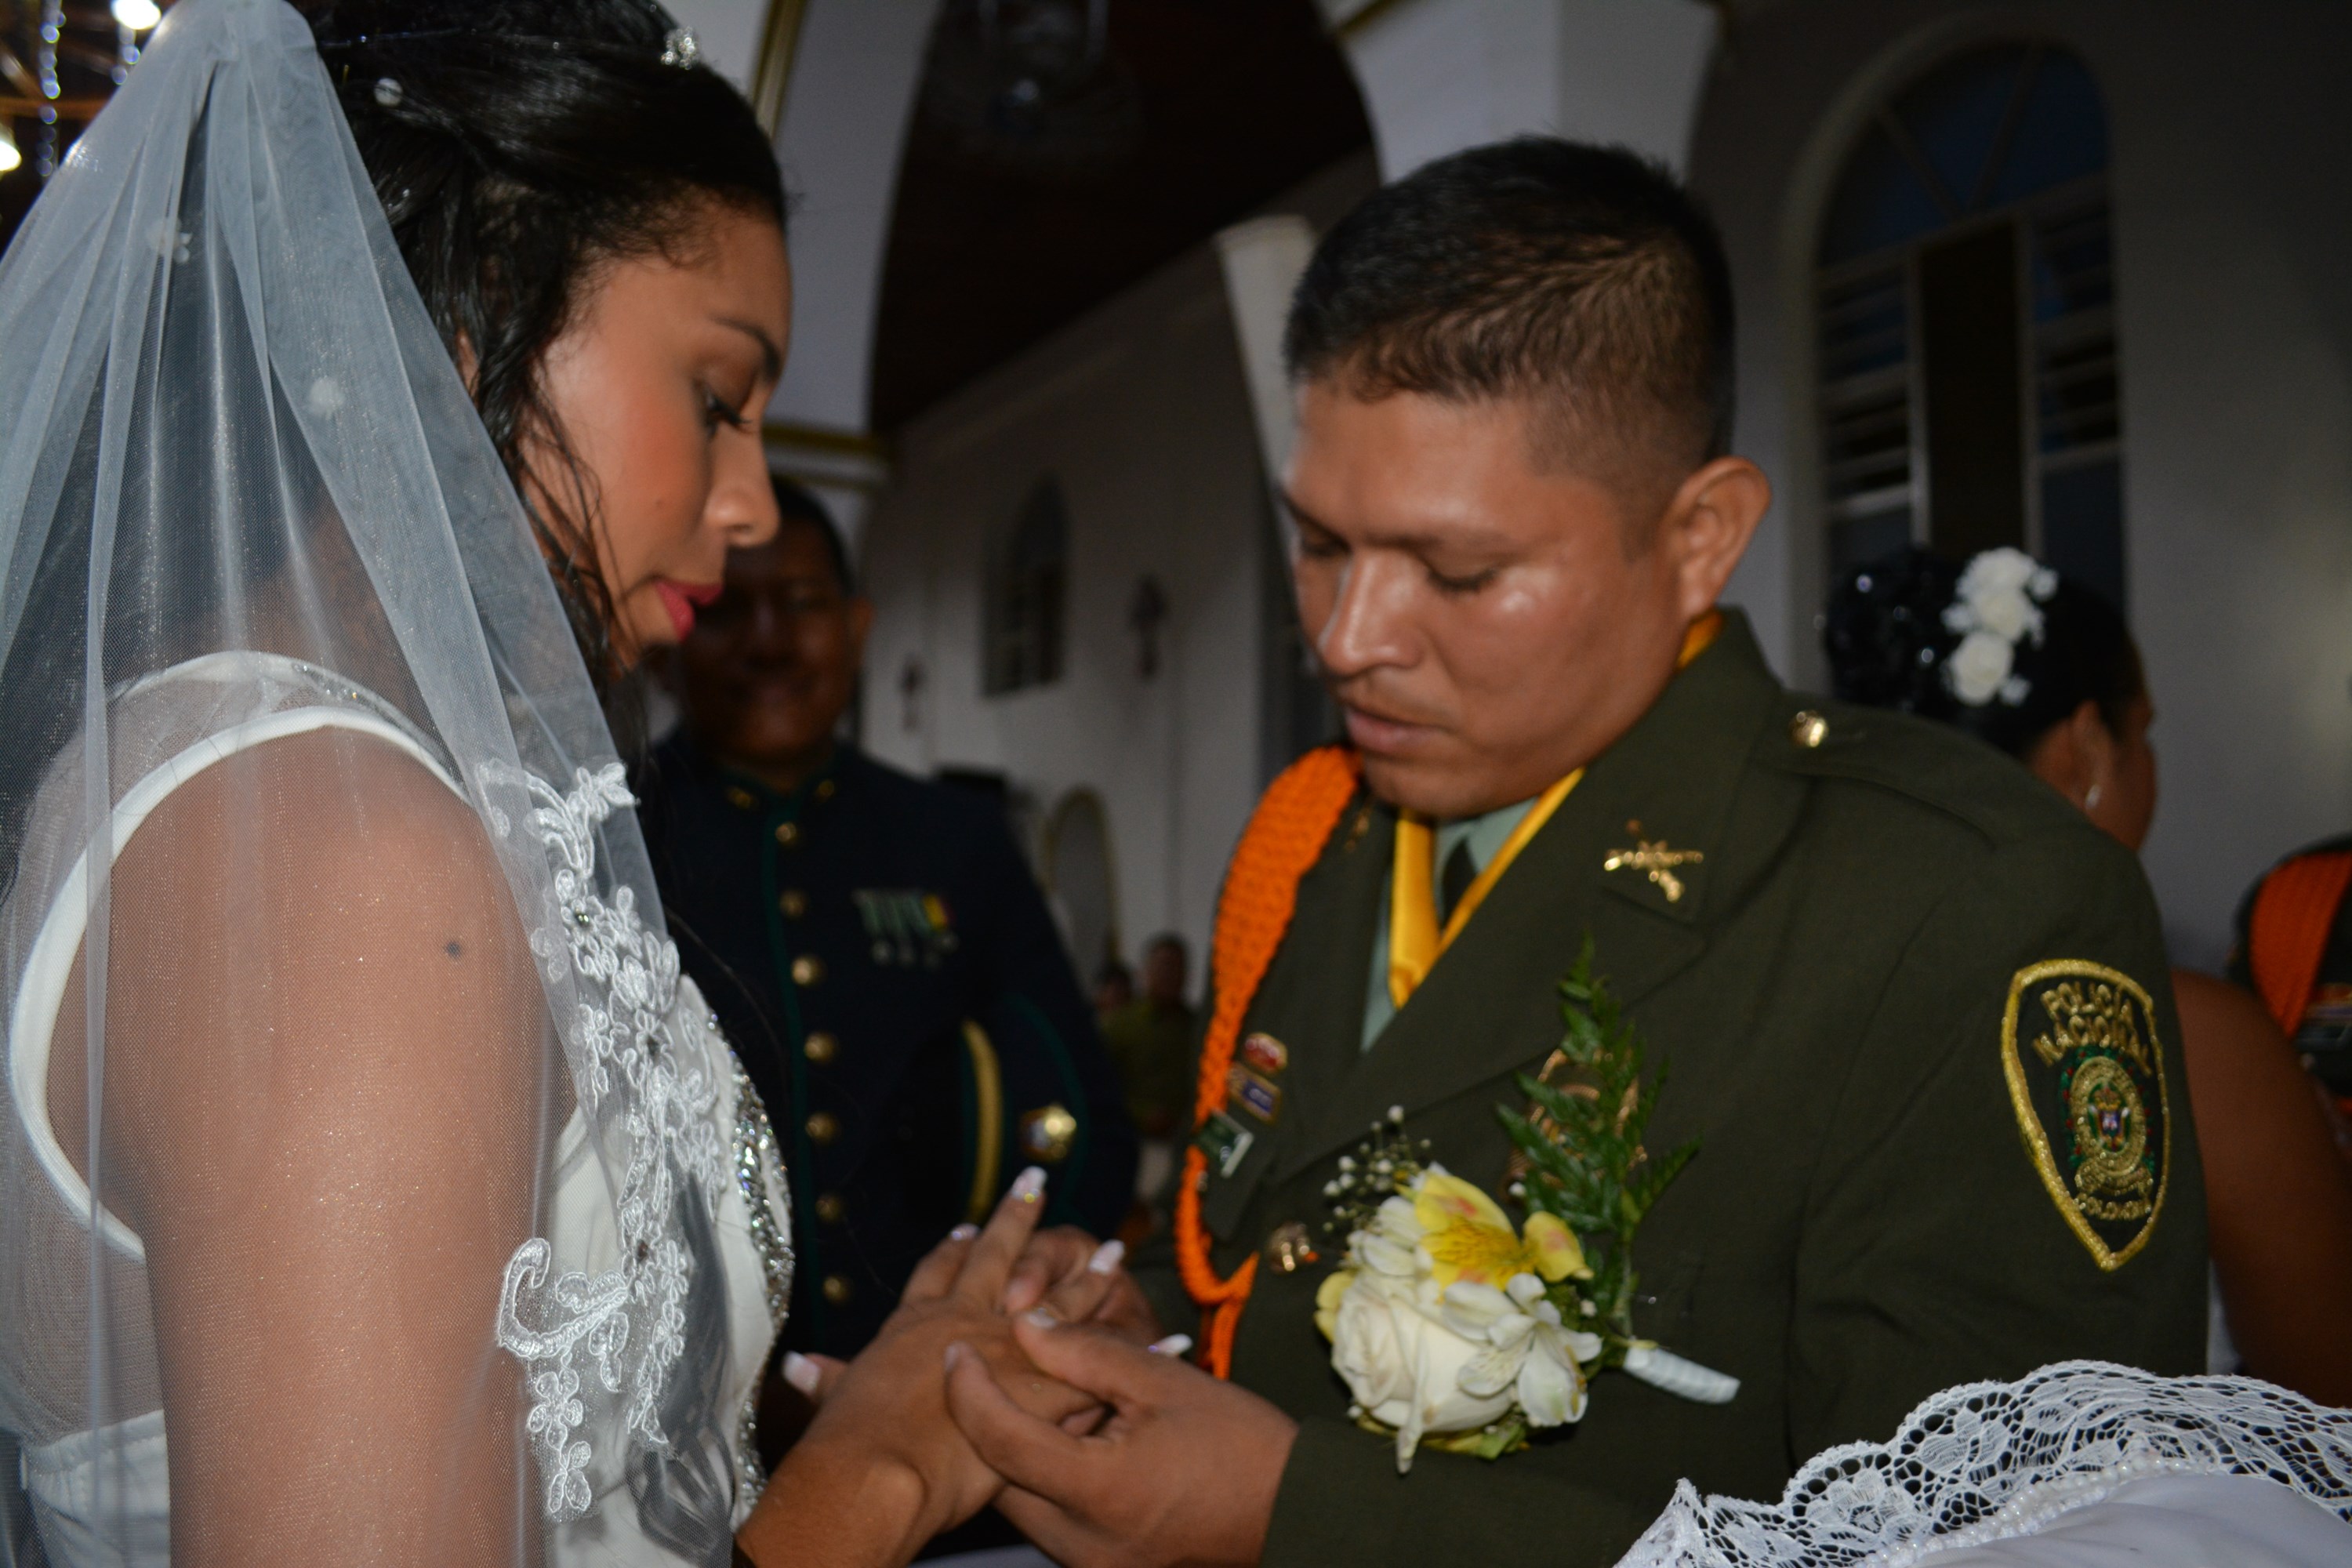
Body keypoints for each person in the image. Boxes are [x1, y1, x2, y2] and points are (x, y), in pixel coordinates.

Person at [939, 137, 2210, 1568]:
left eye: (1460, 573)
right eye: (1319, 545)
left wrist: (1299, 1518)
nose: (1350, 640)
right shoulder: (1324, 836)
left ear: (1700, 537)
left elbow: (2009, 1548)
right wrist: (1138, 1332)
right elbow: (1268, 1242)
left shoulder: (1960, 906)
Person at [0, 2, 1073, 1562]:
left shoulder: (255, 783)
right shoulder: (340, 856)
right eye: (718, 395)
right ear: (467, 330)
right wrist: (879, 1475)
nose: (755, 505)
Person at [1824, 545, 2352, 1405]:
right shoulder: (2192, 1037)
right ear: (2086, 751)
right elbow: (2330, 1392)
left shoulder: (1808, 997)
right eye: (2141, 731)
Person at [638, 477, 1134, 1372]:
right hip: (689, 1398)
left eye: (802, 604)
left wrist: (1006, 1304)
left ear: (859, 627)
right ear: (672, 633)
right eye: (727, 609)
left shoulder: (956, 839)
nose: (769, 642)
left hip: (929, 1374)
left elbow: (1084, 1109)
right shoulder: (617, 829)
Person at [1099, 934, 1197, 1141]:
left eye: (1176, 967)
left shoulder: (1194, 1026)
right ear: (1146, 972)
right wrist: (1141, 1113)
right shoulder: (1122, 1025)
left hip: (1187, 1138)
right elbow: (1101, 1084)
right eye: (1164, 966)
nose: (1169, 975)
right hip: (1138, 1140)